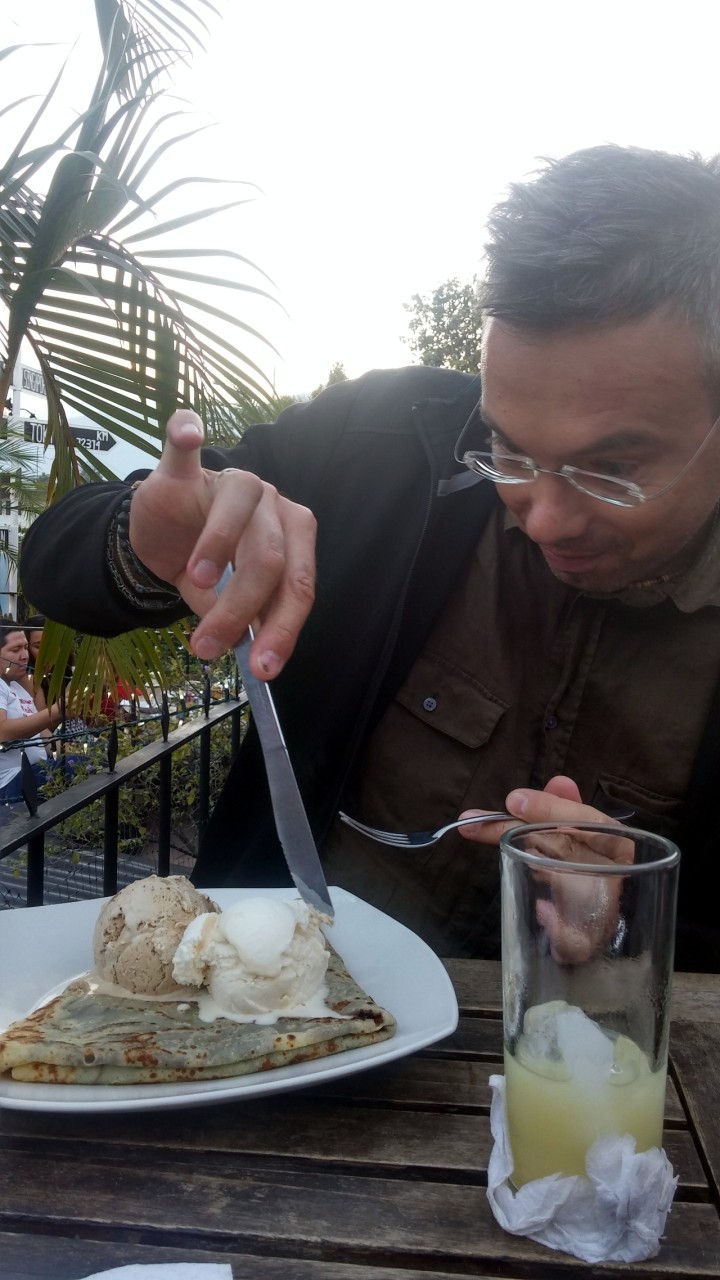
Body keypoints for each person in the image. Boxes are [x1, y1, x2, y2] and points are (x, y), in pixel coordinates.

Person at [20, 144, 720, 970]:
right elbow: (55, 561)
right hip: (265, 1001)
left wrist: (642, 920)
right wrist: (143, 540)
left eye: (612, 468)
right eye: (509, 449)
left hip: (576, 1047)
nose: (544, 518)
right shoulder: (379, 446)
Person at [0, 622, 67, 802]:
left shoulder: (16, 687)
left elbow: (42, 733)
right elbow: (2, 732)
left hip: (34, 772)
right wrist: (59, 709)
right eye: (15, 650)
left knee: (92, 763)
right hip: (10, 783)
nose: (24, 656)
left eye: (25, 648)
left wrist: (67, 751)